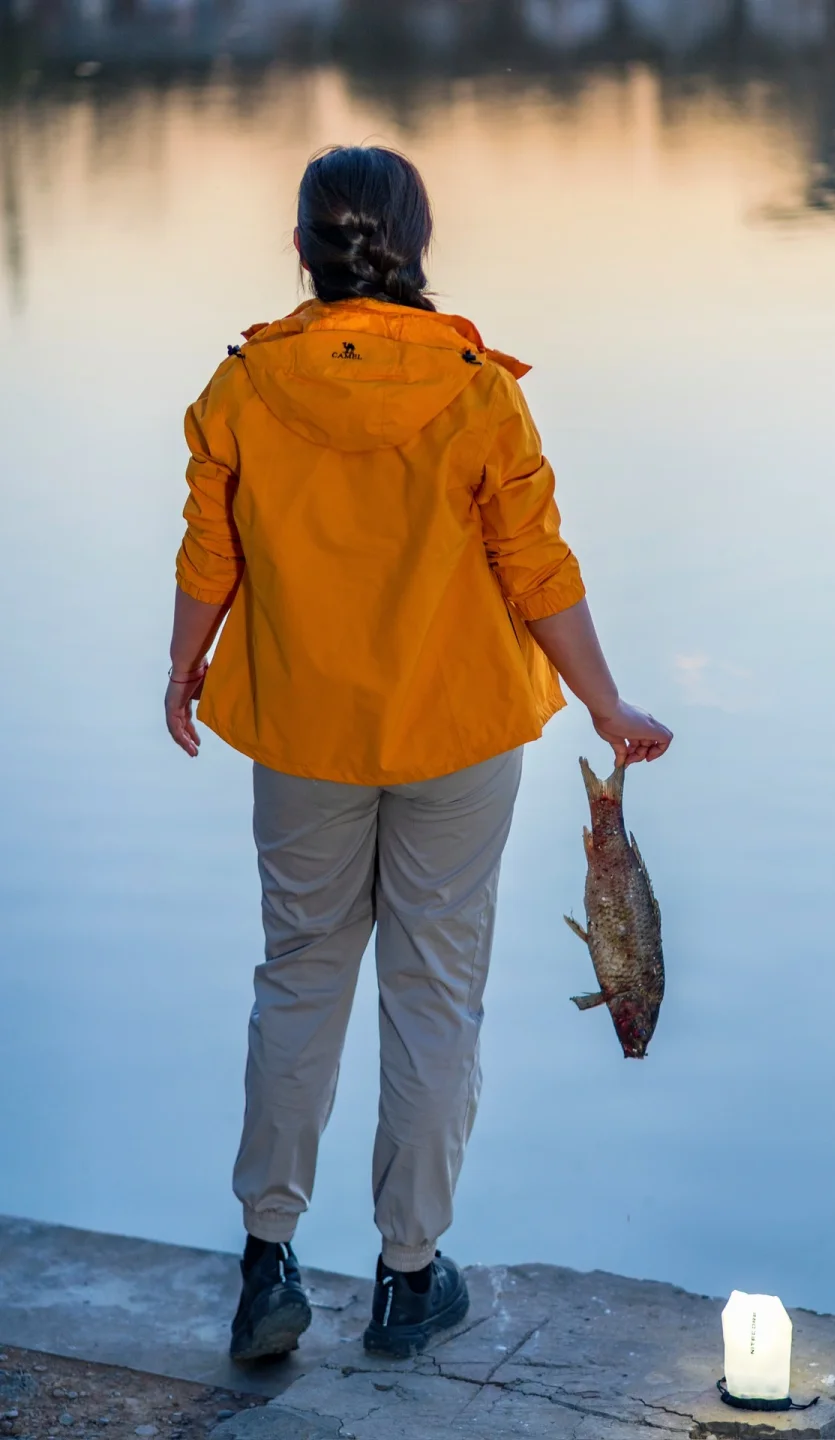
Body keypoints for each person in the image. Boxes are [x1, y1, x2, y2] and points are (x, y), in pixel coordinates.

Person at [164, 145, 672, 1364]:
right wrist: (604, 703)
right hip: (456, 736)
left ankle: (267, 1261)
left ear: (301, 252)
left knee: (299, 978)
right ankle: (406, 1278)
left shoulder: (243, 388)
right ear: (417, 243)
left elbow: (207, 554)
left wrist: (183, 667)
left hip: (301, 733)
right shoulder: (477, 389)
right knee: (435, 995)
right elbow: (534, 566)